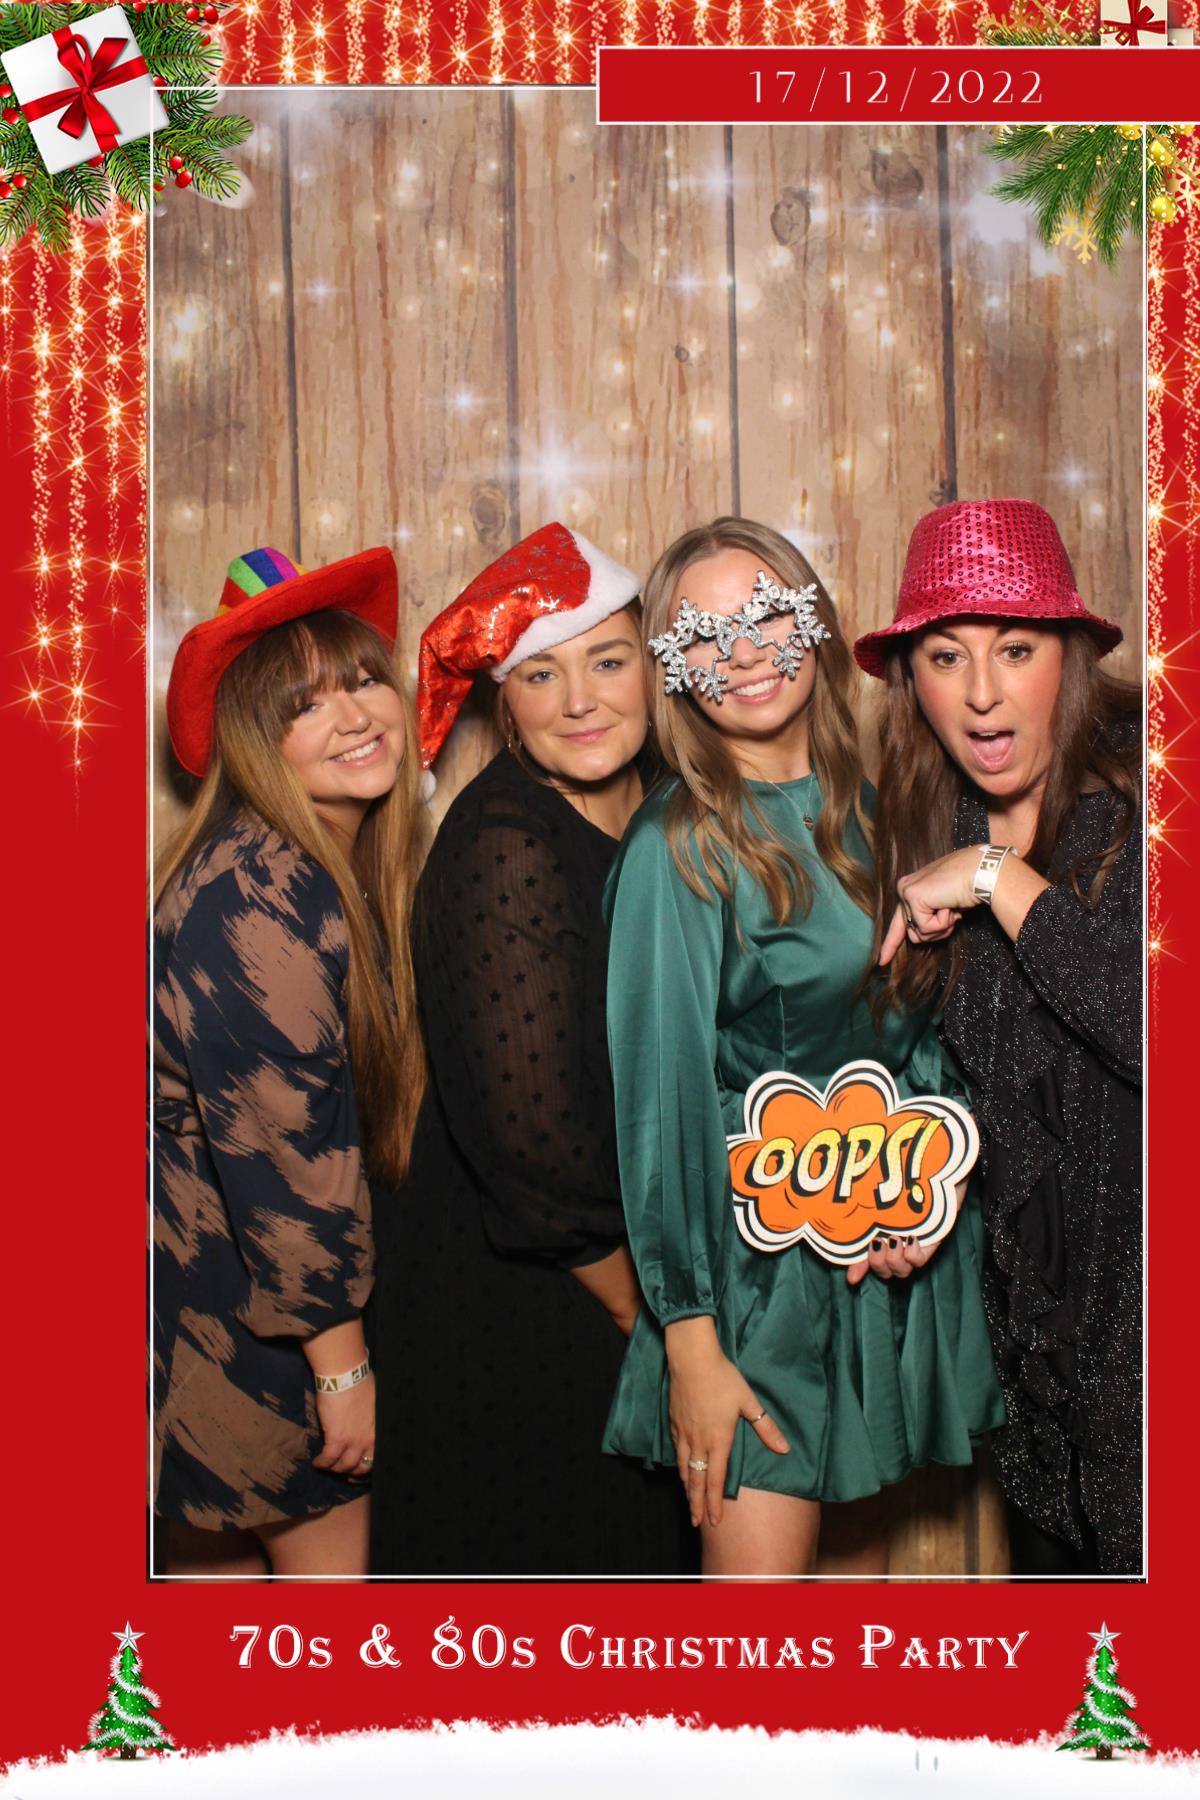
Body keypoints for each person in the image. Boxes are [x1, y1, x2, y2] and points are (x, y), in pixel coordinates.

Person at [601, 516, 1003, 1579]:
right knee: (759, 1652)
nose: (741, 653)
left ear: (813, 620)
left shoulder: (885, 809)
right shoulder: (678, 844)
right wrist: (691, 1335)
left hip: (875, 1256)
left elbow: (919, 1039)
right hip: (751, 1284)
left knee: (849, 1627)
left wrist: (920, 1192)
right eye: (703, 634)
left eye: (765, 614)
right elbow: (658, 1104)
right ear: (673, 667)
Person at [369, 522, 692, 1576]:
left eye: (609, 662)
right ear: (504, 704)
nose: (581, 701)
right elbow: (537, 1150)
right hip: (530, 1311)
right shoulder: (503, 840)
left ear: (654, 670)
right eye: (542, 675)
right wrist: (660, 1330)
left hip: (641, 1279)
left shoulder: (671, 804)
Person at [857, 497, 1142, 1577]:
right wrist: (929, 1188)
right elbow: (1001, 1090)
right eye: (947, 656)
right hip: (1038, 1380)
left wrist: (998, 882)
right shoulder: (937, 822)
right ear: (912, 682)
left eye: (1015, 650)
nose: (981, 692)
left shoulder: (1150, 806)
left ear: (1069, 658)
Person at [154, 544, 425, 1578]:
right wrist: (341, 1367)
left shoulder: (301, 866)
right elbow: (285, 1157)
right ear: (254, 741)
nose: (355, 716)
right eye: (304, 705)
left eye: (362, 680)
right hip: (237, 1320)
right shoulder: (259, 893)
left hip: (216, 1306)